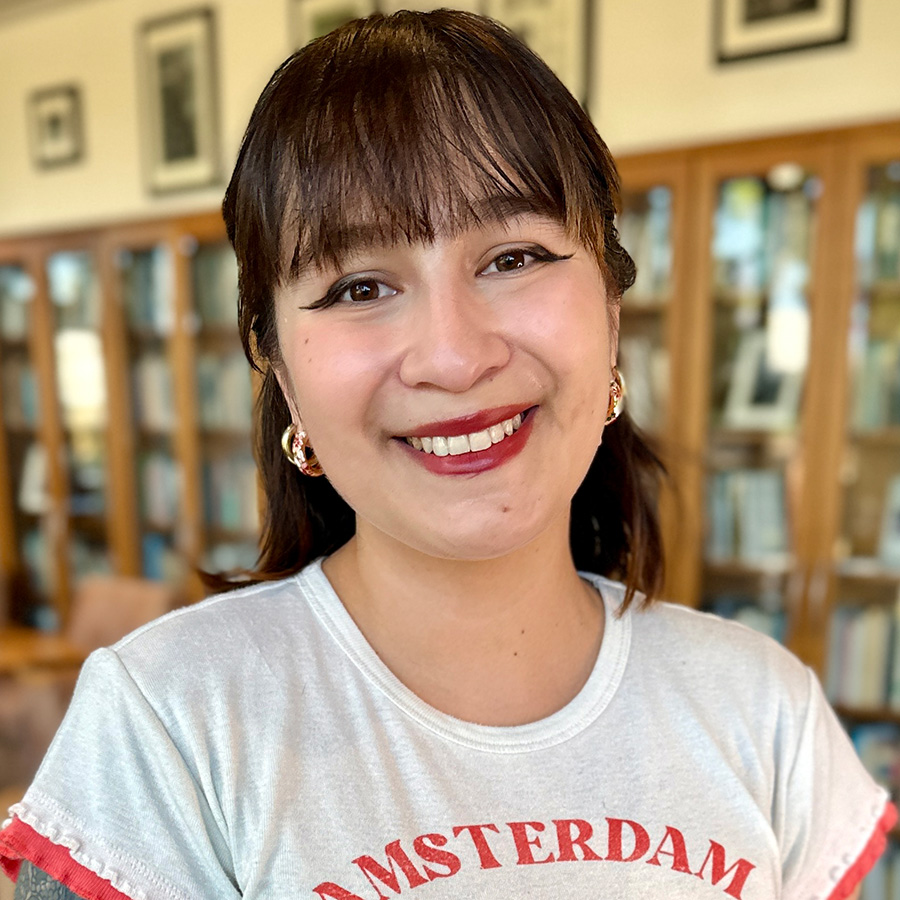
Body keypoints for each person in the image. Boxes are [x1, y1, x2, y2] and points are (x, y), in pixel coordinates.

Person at [0, 10, 894, 900]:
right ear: (275, 361)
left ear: (612, 313)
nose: (456, 356)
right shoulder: (168, 722)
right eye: (359, 286)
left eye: (513, 257)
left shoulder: (763, 709)